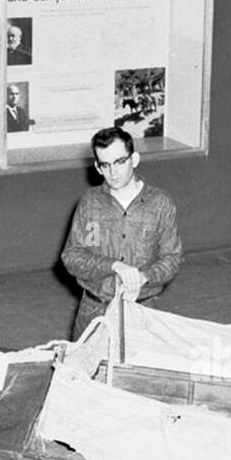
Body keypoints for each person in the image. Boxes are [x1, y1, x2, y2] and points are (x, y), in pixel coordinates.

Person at [61, 127, 183, 339]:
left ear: (134, 159)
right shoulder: (90, 203)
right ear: (98, 168)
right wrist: (114, 266)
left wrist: (144, 277)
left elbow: (172, 258)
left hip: (144, 312)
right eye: (105, 165)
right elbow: (73, 256)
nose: (113, 172)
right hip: (95, 310)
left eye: (120, 162)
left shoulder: (160, 204)